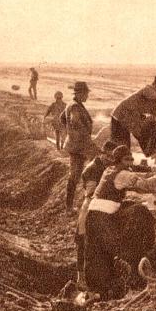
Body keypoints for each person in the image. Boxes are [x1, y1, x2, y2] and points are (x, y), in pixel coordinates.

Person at [84, 145, 156, 299]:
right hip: (104, 218)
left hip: (92, 215)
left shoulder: (110, 170)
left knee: (97, 255)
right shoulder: (123, 174)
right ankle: (136, 279)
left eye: (131, 158)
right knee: (125, 244)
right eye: (127, 159)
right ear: (119, 160)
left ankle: (98, 293)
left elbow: (136, 185)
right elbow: (145, 186)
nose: (130, 162)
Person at [75, 140, 117, 284]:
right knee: (83, 240)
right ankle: (81, 278)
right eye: (108, 156)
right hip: (91, 206)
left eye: (113, 158)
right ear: (102, 153)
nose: (111, 160)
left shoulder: (109, 166)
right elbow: (90, 192)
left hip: (103, 206)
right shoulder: (92, 169)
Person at [111, 74, 156, 156]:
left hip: (128, 117)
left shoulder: (153, 94)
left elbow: (152, 113)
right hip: (120, 117)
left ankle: (153, 152)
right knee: (122, 145)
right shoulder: (148, 90)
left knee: (146, 130)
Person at [60, 81, 97, 213]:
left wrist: (70, 133)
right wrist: (84, 135)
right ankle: (70, 207)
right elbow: (74, 121)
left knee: (78, 174)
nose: (87, 96)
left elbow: (62, 118)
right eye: (86, 93)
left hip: (77, 145)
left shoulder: (73, 104)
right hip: (78, 147)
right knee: (75, 175)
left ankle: (73, 205)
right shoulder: (75, 107)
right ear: (80, 93)